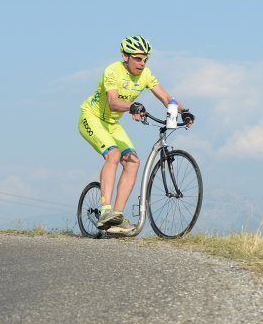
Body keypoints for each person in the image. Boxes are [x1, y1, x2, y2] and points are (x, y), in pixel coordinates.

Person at [78, 35, 194, 234]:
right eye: (138, 58)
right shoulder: (112, 71)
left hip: (112, 124)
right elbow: (113, 102)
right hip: (92, 118)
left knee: (133, 162)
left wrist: (184, 111)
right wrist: (132, 106)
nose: (142, 63)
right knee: (113, 155)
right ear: (125, 56)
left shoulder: (146, 75)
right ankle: (105, 210)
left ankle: (117, 217)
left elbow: (166, 97)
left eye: (145, 59)